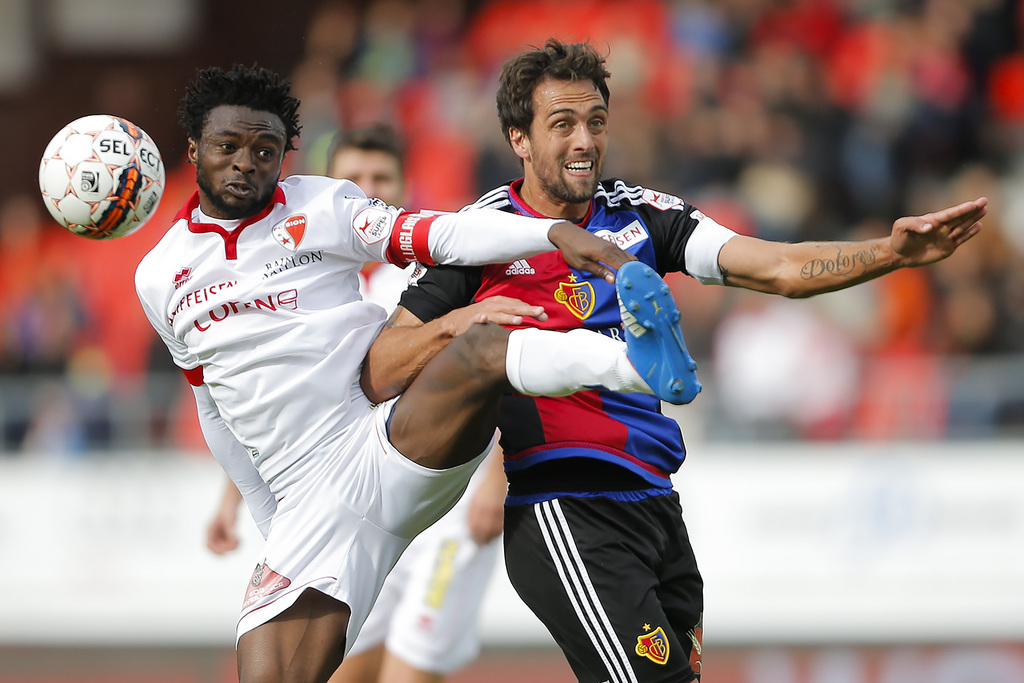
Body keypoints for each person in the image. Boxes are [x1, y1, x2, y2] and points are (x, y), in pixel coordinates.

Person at [366, 39, 989, 683]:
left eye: (596, 122)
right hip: (566, 504)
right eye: (563, 125)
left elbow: (776, 267)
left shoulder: (639, 215)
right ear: (518, 138)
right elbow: (384, 361)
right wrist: (465, 327)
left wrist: (891, 254)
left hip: (656, 502)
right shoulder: (479, 236)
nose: (584, 140)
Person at [135, 64, 694, 683]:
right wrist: (270, 519)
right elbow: (213, 412)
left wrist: (551, 232)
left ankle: (636, 365)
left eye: (265, 150)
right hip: (305, 503)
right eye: (228, 147)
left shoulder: (324, 206)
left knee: (483, 343)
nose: (246, 163)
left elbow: (441, 232)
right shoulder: (159, 277)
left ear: (285, 158)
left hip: (385, 442)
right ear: (193, 151)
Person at [204, 121, 506, 683]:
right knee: (346, 668)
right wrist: (232, 498)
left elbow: (498, 359)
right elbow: (281, 407)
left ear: (403, 184)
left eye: (380, 177)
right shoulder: (314, 290)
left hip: (449, 506)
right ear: (328, 192)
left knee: (410, 672)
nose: (367, 189)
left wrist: (498, 478)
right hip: (354, 504)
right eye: (353, 178)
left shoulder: (442, 271)